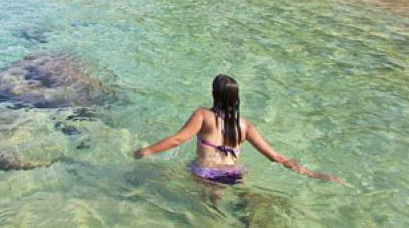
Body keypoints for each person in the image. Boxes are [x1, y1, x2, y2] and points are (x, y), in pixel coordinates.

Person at [133, 74, 343, 185]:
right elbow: (275, 157)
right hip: (234, 174)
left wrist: (147, 151)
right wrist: (313, 174)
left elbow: (178, 140)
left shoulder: (203, 115)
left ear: (214, 93)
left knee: (211, 214)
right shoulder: (244, 125)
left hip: (206, 174)